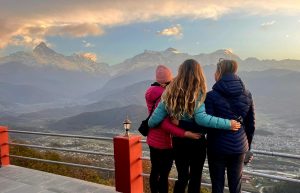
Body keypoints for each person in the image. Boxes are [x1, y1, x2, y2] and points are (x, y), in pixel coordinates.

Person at [148, 59, 241, 193]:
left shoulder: (168, 93)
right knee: (196, 178)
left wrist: (175, 121)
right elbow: (202, 119)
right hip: (198, 141)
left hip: (178, 142)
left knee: (182, 177)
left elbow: (152, 121)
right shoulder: (199, 93)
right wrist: (228, 124)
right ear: (199, 74)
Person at [146, 65, 200, 193]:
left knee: (155, 171)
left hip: (153, 139)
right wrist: (185, 133)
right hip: (164, 141)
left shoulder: (151, 90)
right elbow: (164, 124)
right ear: (166, 83)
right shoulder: (163, 96)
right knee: (164, 174)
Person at [206, 59, 255, 193]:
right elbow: (250, 125)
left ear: (219, 72)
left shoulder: (211, 96)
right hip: (239, 147)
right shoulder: (247, 94)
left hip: (216, 147)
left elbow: (208, 124)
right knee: (235, 186)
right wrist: (247, 147)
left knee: (217, 185)